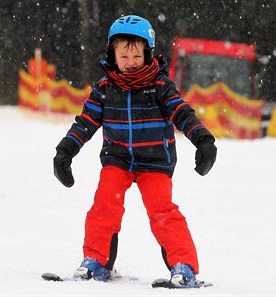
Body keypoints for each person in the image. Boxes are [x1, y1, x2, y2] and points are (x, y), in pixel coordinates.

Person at [53, 15, 217, 287]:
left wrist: (203, 140)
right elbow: (86, 122)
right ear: (112, 55)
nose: (130, 62)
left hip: (155, 161)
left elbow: (182, 113)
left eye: (136, 55)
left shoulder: (160, 87)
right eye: (123, 55)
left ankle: (183, 266)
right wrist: (65, 151)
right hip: (117, 160)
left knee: (162, 211)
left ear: (148, 54)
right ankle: (96, 262)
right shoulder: (105, 89)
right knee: (104, 205)